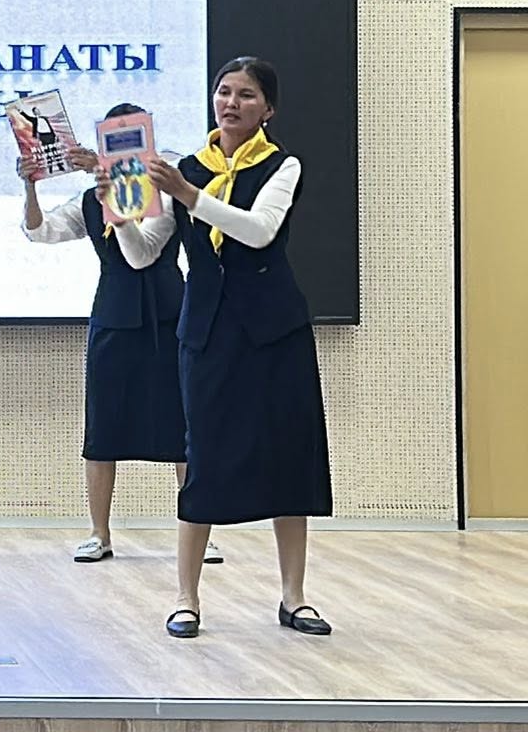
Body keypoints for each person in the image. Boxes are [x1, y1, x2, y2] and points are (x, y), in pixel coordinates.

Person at [147, 58, 333, 639]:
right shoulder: (185, 169)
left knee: (289, 457)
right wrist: (118, 209)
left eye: (246, 95)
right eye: (223, 92)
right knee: (202, 458)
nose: (231, 103)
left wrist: (188, 195)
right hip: (207, 332)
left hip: (275, 332)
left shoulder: (283, 165)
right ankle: (186, 598)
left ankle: (294, 597)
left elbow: (257, 230)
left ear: (267, 109)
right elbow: (144, 251)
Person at [20, 108, 218, 567]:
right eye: (116, 141)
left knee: (183, 425)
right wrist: (30, 186)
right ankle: (99, 533)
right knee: (103, 427)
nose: (126, 150)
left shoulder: (166, 187)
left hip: (169, 315)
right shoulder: (91, 199)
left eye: (134, 140)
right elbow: (39, 230)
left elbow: (143, 253)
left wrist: (107, 174)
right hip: (113, 317)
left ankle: (198, 528)